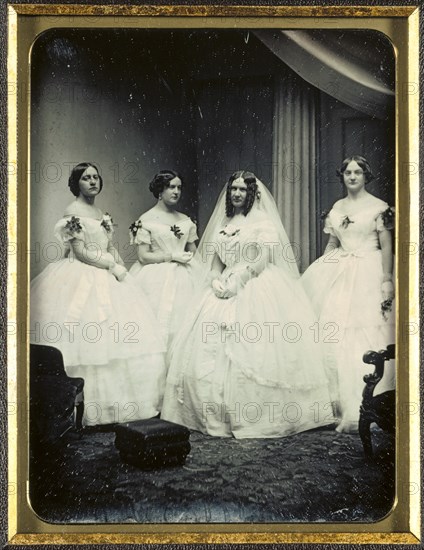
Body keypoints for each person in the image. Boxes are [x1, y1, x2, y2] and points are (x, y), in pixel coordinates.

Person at [161, 171, 332, 438]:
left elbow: (262, 261)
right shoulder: (224, 222)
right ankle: (212, 415)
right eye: (233, 189)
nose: (237, 194)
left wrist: (238, 281)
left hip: (255, 282)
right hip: (224, 284)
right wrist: (216, 279)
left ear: (252, 193)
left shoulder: (263, 222)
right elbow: (216, 261)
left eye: (242, 189)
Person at [30, 162, 167, 426]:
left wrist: (122, 271)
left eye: (95, 177)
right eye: (86, 178)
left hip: (106, 271)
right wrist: (110, 265)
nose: (93, 182)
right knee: (87, 338)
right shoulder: (73, 211)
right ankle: (84, 409)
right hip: (82, 272)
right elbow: (80, 252)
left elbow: (109, 245)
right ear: (76, 184)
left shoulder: (100, 212)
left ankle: (119, 408)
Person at [301, 156, 395, 433]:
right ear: (342, 176)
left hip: (369, 268)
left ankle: (369, 403)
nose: (352, 177)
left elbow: (386, 246)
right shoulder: (337, 208)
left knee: (364, 331)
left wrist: (387, 278)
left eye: (358, 172)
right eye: (347, 173)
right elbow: (332, 242)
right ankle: (329, 404)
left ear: (366, 175)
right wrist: (321, 273)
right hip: (340, 267)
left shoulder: (379, 207)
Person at [129, 170, 198, 350]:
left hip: (187, 276)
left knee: (186, 324)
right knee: (158, 323)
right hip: (155, 277)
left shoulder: (185, 219)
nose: (176, 192)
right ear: (160, 190)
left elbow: (194, 252)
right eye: (170, 187)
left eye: (179, 188)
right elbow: (143, 256)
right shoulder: (146, 220)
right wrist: (171, 256)